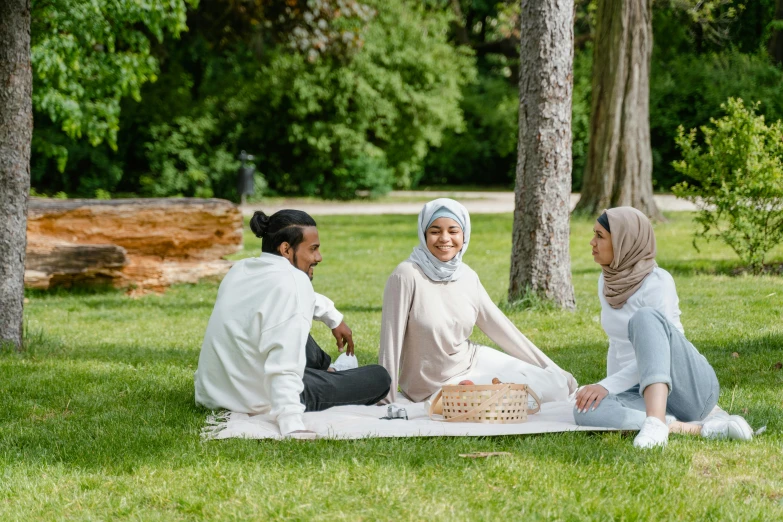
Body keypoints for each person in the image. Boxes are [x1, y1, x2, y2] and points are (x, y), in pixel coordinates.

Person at [194, 209, 391, 438]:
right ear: (286, 249)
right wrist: (291, 423)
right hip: (259, 397)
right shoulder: (293, 283)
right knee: (378, 378)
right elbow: (284, 365)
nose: (319, 258)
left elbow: (309, 301)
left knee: (293, 326)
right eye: (313, 249)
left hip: (215, 392)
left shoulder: (241, 269)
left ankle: (329, 369)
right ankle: (333, 374)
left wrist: (334, 319)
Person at [574, 206, 754, 448]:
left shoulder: (657, 282)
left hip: (686, 386)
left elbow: (660, 353)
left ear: (624, 241)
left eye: (600, 236)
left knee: (645, 318)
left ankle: (657, 422)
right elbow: (617, 345)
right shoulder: (607, 281)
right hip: (638, 389)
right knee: (584, 411)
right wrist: (608, 390)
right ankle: (691, 429)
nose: (591, 242)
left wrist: (606, 386)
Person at [378, 198, 578, 405]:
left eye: (453, 231)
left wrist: (553, 368)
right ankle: (488, 394)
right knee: (500, 397)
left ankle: (495, 392)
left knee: (556, 386)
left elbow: (503, 329)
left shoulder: (467, 276)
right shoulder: (406, 275)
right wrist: (385, 398)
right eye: (435, 231)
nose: (444, 238)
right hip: (432, 383)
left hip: (472, 359)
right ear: (424, 234)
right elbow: (390, 340)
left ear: (464, 235)